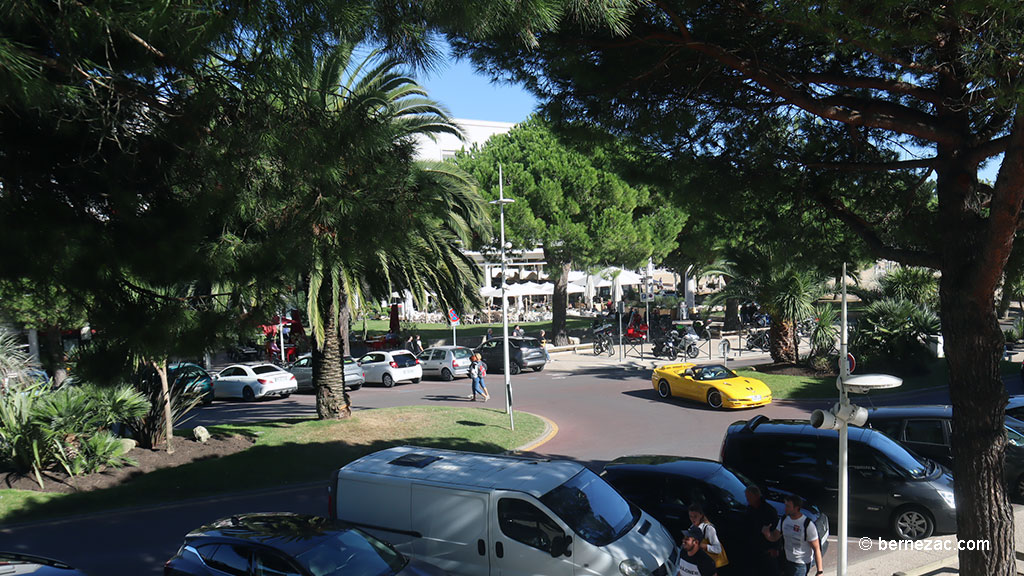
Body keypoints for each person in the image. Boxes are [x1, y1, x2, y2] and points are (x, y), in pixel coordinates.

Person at [762, 495, 823, 576]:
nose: (785, 508)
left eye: (788, 506)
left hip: (801, 565)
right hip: (787, 562)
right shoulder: (784, 520)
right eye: (785, 505)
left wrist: (819, 571)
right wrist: (767, 534)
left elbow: (816, 548)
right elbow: (774, 537)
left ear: (796, 508)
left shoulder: (807, 525)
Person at [741, 485, 781, 576]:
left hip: (767, 549)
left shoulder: (769, 511)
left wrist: (775, 548)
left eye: (749, 497)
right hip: (754, 547)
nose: (747, 499)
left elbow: (777, 531)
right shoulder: (750, 509)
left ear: (756, 496)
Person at [688, 504, 728, 571]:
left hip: (712, 565)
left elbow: (718, 549)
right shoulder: (692, 527)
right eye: (690, 516)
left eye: (695, 516)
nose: (692, 519)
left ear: (701, 515)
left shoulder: (708, 529)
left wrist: (705, 546)